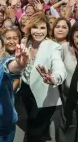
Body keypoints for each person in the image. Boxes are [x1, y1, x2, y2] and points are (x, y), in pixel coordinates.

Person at [20, 13, 67, 142]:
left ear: (47, 30)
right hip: (25, 92)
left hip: (43, 94)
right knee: (29, 127)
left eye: (42, 28)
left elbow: (59, 67)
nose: (39, 32)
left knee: (37, 132)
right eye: (35, 27)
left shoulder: (53, 46)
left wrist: (53, 78)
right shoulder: (25, 42)